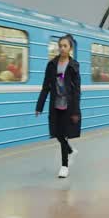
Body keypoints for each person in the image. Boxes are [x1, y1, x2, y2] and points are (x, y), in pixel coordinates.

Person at [36, 34, 81, 179]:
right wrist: (39, 106)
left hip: (68, 106)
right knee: (56, 133)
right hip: (55, 104)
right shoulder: (52, 65)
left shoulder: (74, 66)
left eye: (65, 46)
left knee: (64, 133)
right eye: (60, 46)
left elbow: (76, 90)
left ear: (70, 48)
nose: (62, 48)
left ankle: (64, 166)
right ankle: (69, 149)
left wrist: (75, 110)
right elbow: (45, 87)